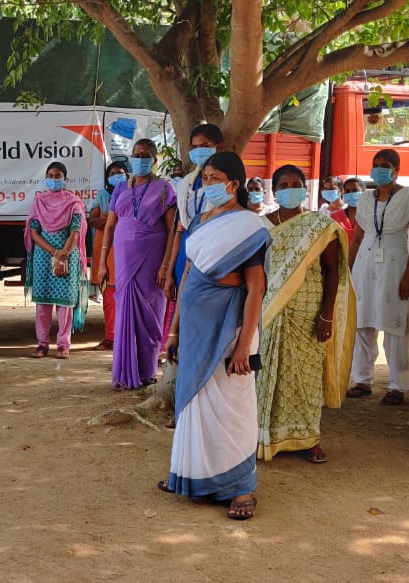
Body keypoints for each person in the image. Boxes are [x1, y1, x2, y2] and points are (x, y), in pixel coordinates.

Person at [159, 151, 270, 521]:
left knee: (232, 406)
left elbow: (255, 290)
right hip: (193, 330)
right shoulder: (200, 222)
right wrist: (174, 329)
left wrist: (243, 346)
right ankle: (193, 475)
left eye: (214, 179)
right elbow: (188, 276)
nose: (207, 185)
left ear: (233, 185)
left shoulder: (249, 228)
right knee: (194, 403)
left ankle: (241, 488)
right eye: (204, 178)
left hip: (228, 332)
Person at [256, 164, 355, 463]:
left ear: (305, 189)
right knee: (266, 374)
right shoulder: (260, 226)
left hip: (308, 314)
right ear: (274, 191)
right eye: (283, 185)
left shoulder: (319, 226)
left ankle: (309, 438)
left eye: (295, 184)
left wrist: (326, 315)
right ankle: (264, 437)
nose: (290, 189)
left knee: (306, 377)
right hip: (268, 310)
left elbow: (332, 272)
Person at [95, 139, 177, 391]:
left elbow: (172, 231)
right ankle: (124, 373)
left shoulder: (164, 189)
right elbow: (110, 226)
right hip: (123, 261)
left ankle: (147, 373)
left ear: (154, 160)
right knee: (125, 314)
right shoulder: (120, 188)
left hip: (152, 262)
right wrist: (102, 262)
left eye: (145, 155)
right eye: (137, 154)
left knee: (150, 315)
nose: (140, 158)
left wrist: (165, 266)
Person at [346, 151, 409, 405]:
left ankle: (397, 386)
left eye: (385, 166)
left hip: (395, 266)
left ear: (396, 170)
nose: (379, 169)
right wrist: (348, 273)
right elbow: (357, 238)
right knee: (362, 324)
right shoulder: (366, 199)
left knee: (395, 326)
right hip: (365, 264)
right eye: (375, 165)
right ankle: (362, 380)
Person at [26, 162, 87, 359]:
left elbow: (75, 232)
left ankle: (63, 345)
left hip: (68, 256)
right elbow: (34, 233)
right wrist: (54, 252)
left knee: (65, 305)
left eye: (58, 176)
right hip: (44, 258)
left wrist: (64, 255)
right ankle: (42, 344)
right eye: (50, 176)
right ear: (46, 178)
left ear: (65, 179)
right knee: (42, 304)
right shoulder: (39, 202)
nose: (54, 179)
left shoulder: (73, 203)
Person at [165, 124, 224, 302]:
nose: (199, 151)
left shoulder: (228, 184)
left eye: (205, 146)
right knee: (183, 305)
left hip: (214, 251)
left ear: (219, 147)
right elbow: (179, 230)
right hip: (185, 251)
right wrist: (169, 271)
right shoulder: (186, 184)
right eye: (195, 147)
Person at [88, 161, 127, 351]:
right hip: (105, 250)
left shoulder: (131, 194)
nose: (116, 177)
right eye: (112, 174)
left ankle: (124, 337)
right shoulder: (103, 195)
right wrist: (113, 221)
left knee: (126, 297)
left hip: (126, 250)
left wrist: (109, 221)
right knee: (109, 298)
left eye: (120, 173)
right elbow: (93, 220)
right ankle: (110, 337)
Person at [332, 178, 362, 242]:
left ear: (363, 192)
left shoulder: (370, 216)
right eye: (347, 191)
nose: (351, 194)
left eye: (355, 190)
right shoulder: (335, 217)